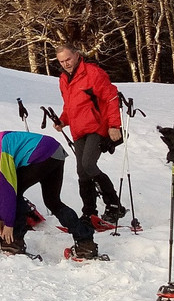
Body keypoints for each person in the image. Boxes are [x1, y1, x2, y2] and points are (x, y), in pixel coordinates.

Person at [0, 131, 97, 258]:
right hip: (54, 151)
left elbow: (7, 191)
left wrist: (8, 223)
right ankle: (85, 242)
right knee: (53, 201)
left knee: (15, 193)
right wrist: (0, 218)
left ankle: (13, 242)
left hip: (41, 153)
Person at [51, 44, 127, 224]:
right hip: (78, 130)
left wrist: (114, 125)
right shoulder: (63, 79)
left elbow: (111, 97)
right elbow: (70, 106)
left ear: (77, 55)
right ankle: (89, 212)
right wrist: (63, 120)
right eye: (62, 61)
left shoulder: (93, 73)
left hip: (97, 127)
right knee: (81, 171)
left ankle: (114, 205)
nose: (66, 64)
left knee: (88, 164)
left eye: (68, 59)